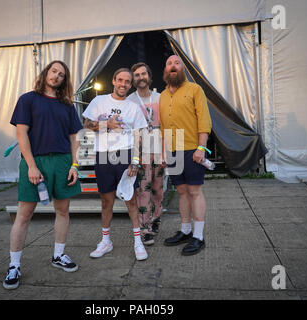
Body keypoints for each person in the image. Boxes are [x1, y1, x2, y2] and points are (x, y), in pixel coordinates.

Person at [4, 60, 83, 290]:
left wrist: (74, 165)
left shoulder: (67, 105)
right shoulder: (28, 99)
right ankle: (14, 265)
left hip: (62, 162)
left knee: (62, 210)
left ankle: (59, 255)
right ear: (46, 72)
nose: (57, 76)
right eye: (54, 71)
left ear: (64, 80)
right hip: (35, 161)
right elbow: (21, 133)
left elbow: (73, 139)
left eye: (61, 74)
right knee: (24, 214)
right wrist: (31, 165)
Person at [82, 68, 149, 261]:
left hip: (125, 155)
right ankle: (106, 241)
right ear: (113, 80)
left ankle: (138, 242)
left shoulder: (133, 107)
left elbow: (139, 137)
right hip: (103, 156)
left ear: (130, 85)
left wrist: (135, 161)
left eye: (127, 82)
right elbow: (87, 125)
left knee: (131, 200)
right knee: (106, 201)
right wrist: (107, 125)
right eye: (120, 80)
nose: (123, 84)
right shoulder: (99, 101)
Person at [159, 55, 212, 256]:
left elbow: (204, 120)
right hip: (172, 151)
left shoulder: (195, 89)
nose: (173, 66)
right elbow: (163, 127)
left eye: (177, 63)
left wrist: (201, 148)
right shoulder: (163, 96)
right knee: (181, 191)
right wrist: (165, 152)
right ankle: (186, 231)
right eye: (169, 63)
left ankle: (198, 236)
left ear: (182, 68)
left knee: (195, 191)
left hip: (192, 149)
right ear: (166, 69)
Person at [127, 62, 164, 246]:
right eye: (137, 75)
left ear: (149, 76)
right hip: (140, 151)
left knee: (158, 189)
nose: (140, 77)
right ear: (133, 79)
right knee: (143, 190)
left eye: (143, 74)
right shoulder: (129, 101)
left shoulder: (160, 98)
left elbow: (166, 126)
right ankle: (145, 229)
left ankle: (156, 220)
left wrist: (166, 152)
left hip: (159, 149)